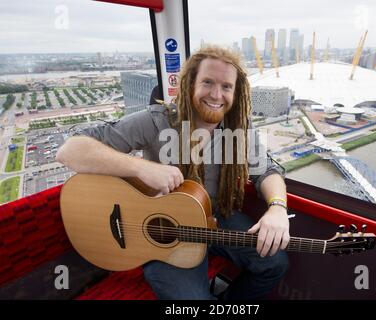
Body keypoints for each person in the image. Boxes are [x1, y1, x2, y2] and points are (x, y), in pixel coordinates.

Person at [56, 46, 290, 300]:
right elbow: (70, 150)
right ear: (191, 84)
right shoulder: (157, 121)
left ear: (236, 92)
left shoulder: (238, 128)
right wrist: (142, 167)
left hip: (215, 217)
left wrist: (277, 208)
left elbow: (266, 169)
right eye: (208, 82)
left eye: (226, 86)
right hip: (163, 229)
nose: (216, 94)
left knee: (275, 262)